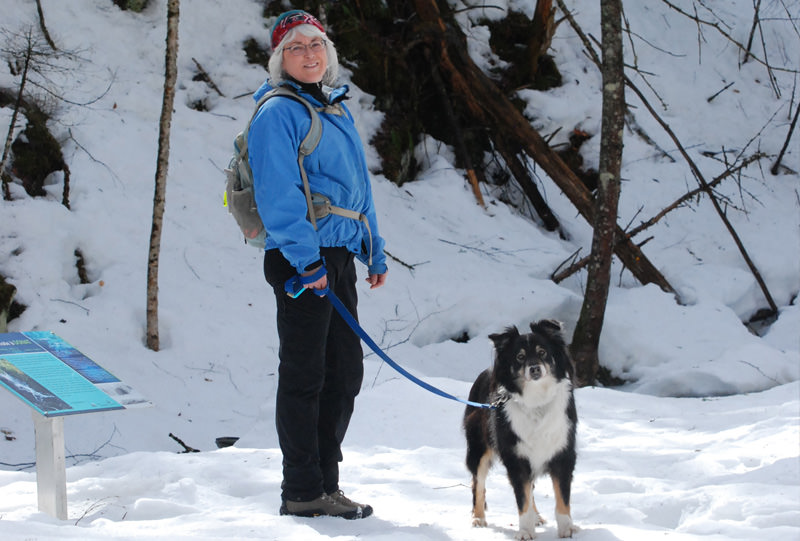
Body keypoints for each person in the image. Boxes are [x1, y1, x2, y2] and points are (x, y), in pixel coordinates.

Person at [248, 10, 388, 520]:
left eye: (316, 44)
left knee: (344, 374)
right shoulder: (277, 113)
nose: (309, 54)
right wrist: (306, 262)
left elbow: (360, 187)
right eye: (296, 47)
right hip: (299, 258)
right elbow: (278, 195)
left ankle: (327, 482)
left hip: (338, 255)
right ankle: (303, 488)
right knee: (306, 375)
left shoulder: (334, 107)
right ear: (280, 59)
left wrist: (374, 247)